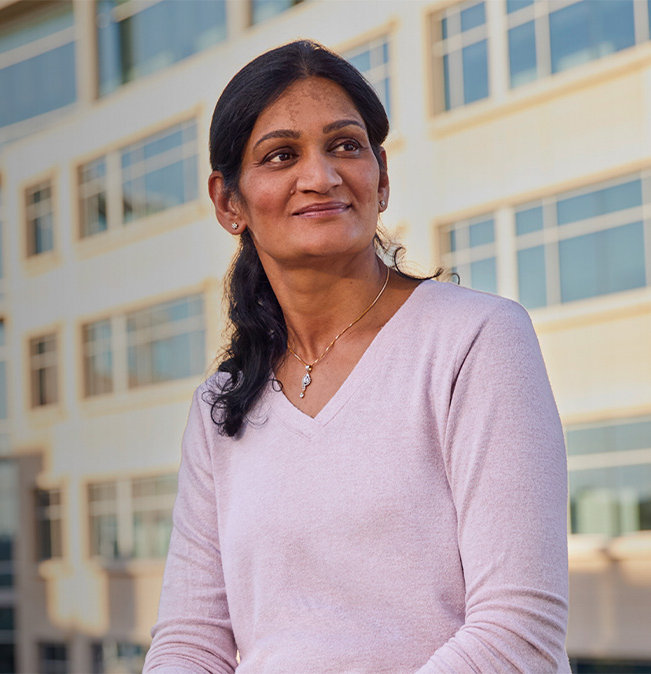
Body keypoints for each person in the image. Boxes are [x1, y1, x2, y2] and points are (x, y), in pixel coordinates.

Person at [143, 40, 570, 673]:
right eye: (282, 155)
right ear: (228, 202)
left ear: (382, 176)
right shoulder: (219, 407)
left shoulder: (477, 340)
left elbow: (519, 634)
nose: (321, 176)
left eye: (345, 146)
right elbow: (189, 643)